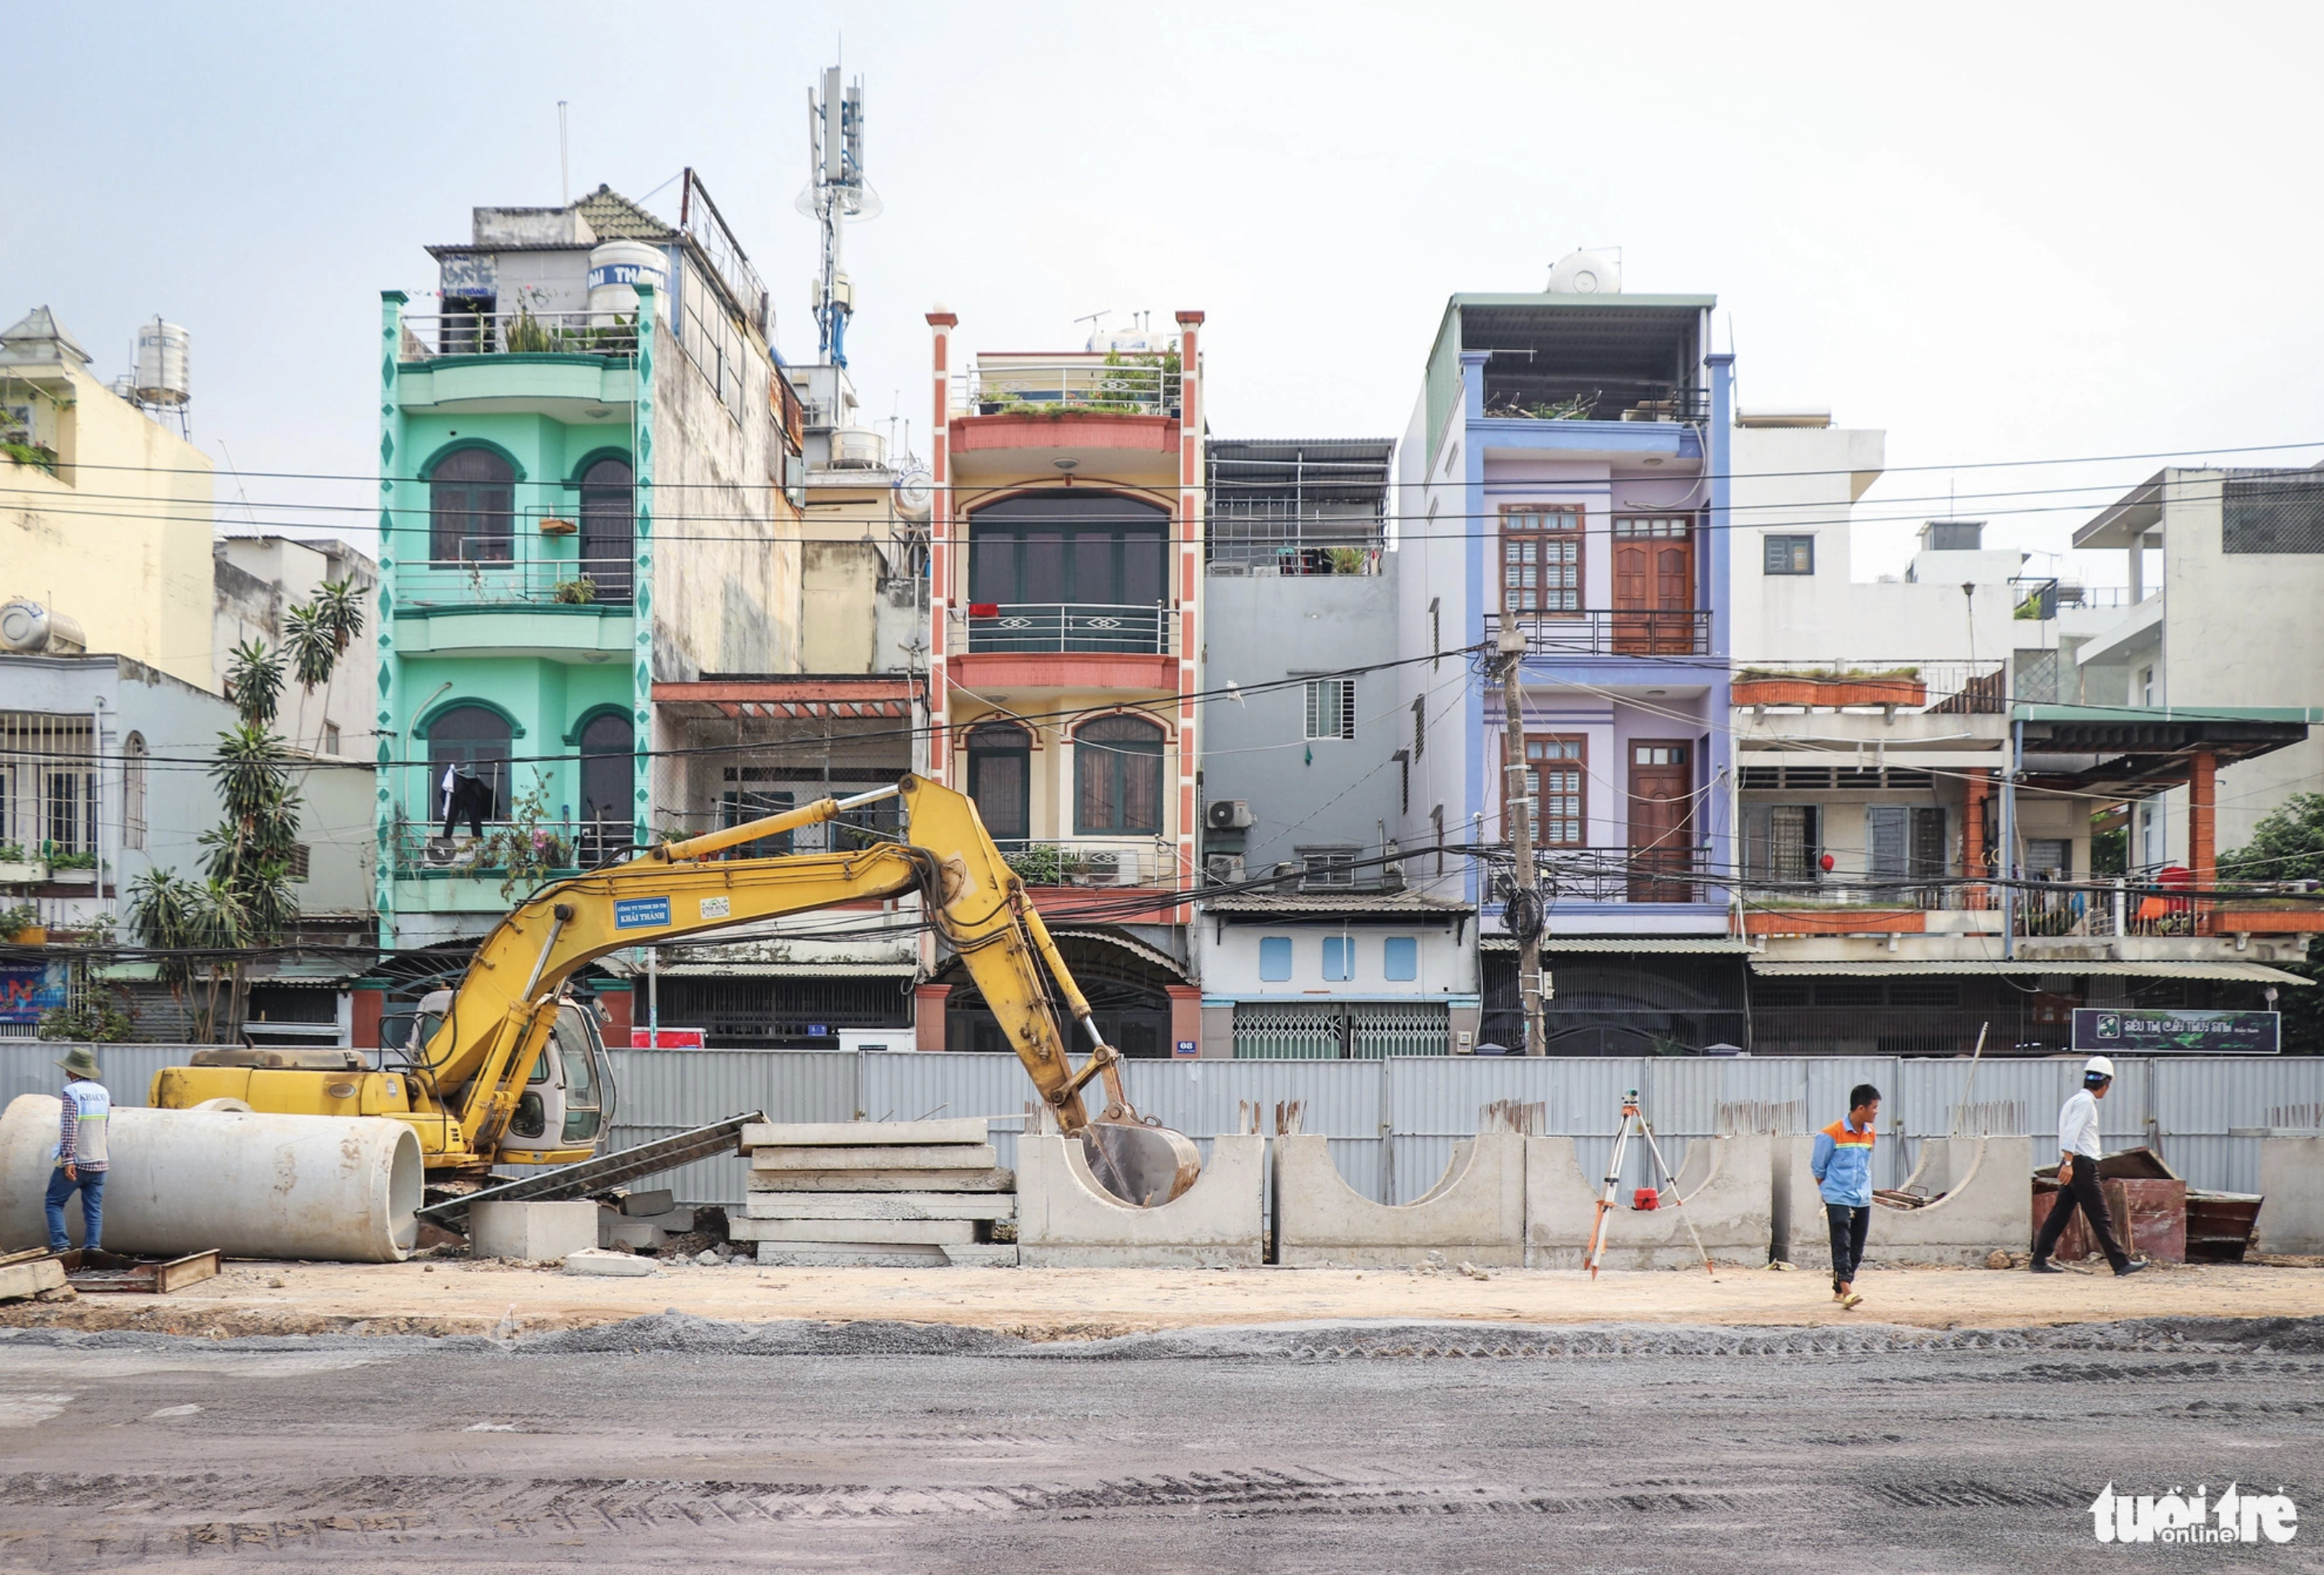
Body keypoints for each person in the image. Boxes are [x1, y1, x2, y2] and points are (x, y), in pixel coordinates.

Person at [2032, 1055, 2147, 1276]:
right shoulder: (2085, 1103)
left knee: (2060, 1214)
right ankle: (2120, 1263)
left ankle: (2039, 1260)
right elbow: (2071, 1134)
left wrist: (2067, 1162)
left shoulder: (2076, 1100)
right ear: (2106, 1083)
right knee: (2100, 1215)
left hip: (2075, 1163)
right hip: (2081, 1164)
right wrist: (2067, 1163)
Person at [1811, 1083, 1880, 1310]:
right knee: (1841, 1243)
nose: (1876, 1112)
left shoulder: (1871, 1134)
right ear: (1861, 1109)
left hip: (1862, 1197)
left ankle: (1839, 1290)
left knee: (1857, 1247)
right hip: (1838, 1196)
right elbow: (1818, 1168)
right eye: (1874, 1107)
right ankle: (1847, 1290)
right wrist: (1829, 1193)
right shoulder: (1830, 1134)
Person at [44, 1047, 110, 1255]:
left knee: (54, 1202)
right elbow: (105, 1126)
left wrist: (69, 1159)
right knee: (93, 1209)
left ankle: (62, 1247)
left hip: (78, 1161)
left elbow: (70, 1128)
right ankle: (93, 1249)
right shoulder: (103, 1092)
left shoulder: (71, 1092)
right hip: (100, 1160)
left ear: (73, 1071)